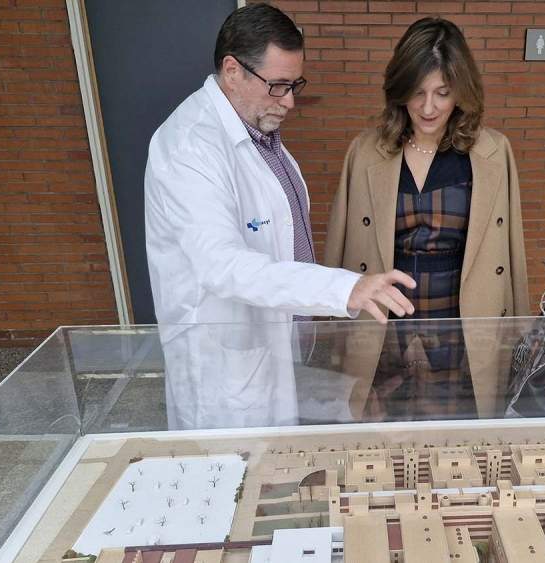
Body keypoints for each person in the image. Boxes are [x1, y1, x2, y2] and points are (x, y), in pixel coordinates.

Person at [144, 4, 415, 429]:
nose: (289, 101)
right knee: (235, 467)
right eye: (278, 86)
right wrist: (345, 288)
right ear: (232, 71)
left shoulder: (260, 138)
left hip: (272, 352)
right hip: (223, 377)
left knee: (279, 457)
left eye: (294, 85)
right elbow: (222, 265)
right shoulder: (189, 148)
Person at [324, 17, 529, 420]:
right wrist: (331, 333)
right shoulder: (364, 152)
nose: (428, 107)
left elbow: (511, 253)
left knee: (459, 438)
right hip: (380, 327)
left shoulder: (493, 152)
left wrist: (519, 334)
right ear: (399, 89)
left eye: (442, 93)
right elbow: (340, 248)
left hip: (462, 326)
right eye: (417, 92)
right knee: (382, 439)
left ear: (462, 91)